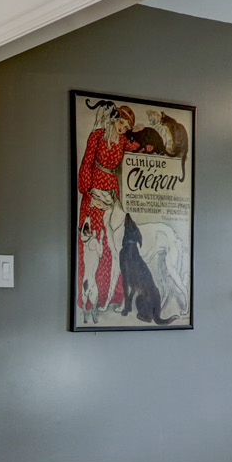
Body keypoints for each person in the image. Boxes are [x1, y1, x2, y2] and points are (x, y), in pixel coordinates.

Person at [76, 102, 145, 313]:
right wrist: (88, 191)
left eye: (127, 126)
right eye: (123, 123)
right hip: (95, 188)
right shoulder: (97, 136)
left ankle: (113, 295)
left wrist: (144, 140)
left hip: (112, 191)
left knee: (112, 241)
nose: (124, 128)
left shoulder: (123, 140)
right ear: (116, 118)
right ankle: (90, 297)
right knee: (95, 240)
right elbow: (87, 162)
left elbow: (136, 147)